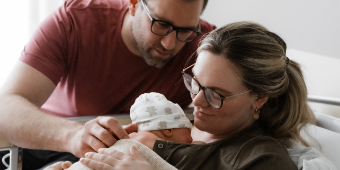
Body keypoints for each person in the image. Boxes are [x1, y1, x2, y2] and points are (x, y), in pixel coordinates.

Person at [67, 21, 317, 170]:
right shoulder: (174, 125)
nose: (195, 101)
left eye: (216, 94)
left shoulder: (262, 158)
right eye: (195, 82)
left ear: (259, 98)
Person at [0, 0, 215, 169]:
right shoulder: (74, 21)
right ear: (133, 4)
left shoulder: (209, 48)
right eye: (161, 24)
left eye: (185, 30)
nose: (170, 43)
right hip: (53, 145)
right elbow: (5, 107)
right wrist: (73, 136)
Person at [64, 92, 194, 170]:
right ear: (167, 129)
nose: (192, 139)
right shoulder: (148, 141)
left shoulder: (128, 136)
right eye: (188, 132)